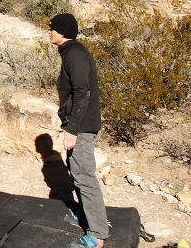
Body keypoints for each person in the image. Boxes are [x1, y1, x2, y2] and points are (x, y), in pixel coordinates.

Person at [49, 13, 109, 248]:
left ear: (62, 31)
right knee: (76, 171)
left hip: (81, 126)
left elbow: (83, 92)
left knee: (84, 177)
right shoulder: (70, 52)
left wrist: (72, 129)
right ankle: (85, 216)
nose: (49, 31)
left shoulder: (74, 54)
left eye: (52, 28)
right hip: (78, 123)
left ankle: (96, 234)